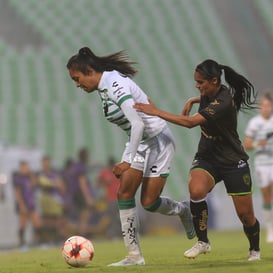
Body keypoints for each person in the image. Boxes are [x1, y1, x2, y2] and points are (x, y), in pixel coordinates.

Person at [66, 47, 195, 266]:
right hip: (141, 142)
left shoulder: (115, 85)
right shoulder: (104, 87)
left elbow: (137, 123)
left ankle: (183, 210)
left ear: (88, 70)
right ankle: (134, 256)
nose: (77, 84)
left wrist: (127, 159)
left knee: (149, 202)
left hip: (158, 142)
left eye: (77, 79)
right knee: (124, 193)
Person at [134, 59, 261, 261]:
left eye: (200, 82)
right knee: (196, 189)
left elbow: (191, 123)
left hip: (232, 160)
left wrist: (156, 111)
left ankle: (254, 249)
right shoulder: (208, 92)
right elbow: (202, 100)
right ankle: (203, 241)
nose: (197, 85)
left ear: (214, 81)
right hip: (207, 157)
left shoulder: (224, 100)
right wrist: (193, 100)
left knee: (246, 216)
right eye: (196, 81)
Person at [244, 92, 273, 243]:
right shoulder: (255, 123)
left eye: (268, 105)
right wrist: (257, 144)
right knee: (267, 196)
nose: (265, 108)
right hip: (262, 165)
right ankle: (270, 229)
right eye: (262, 106)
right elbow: (247, 144)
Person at [13, 161, 42, 248]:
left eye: (27, 167)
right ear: (21, 168)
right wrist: (21, 205)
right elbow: (17, 193)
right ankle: (22, 243)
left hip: (30, 203)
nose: (26, 169)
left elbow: (34, 184)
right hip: (24, 204)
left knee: (37, 222)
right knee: (23, 223)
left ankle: (38, 241)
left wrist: (31, 175)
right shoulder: (18, 178)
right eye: (24, 167)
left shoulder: (28, 177)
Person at [97, 156, 120, 239]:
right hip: (111, 200)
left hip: (121, 198)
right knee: (113, 218)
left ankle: (124, 234)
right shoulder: (104, 173)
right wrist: (105, 182)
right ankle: (115, 235)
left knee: (123, 217)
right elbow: (97, 184)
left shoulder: (119, 171)